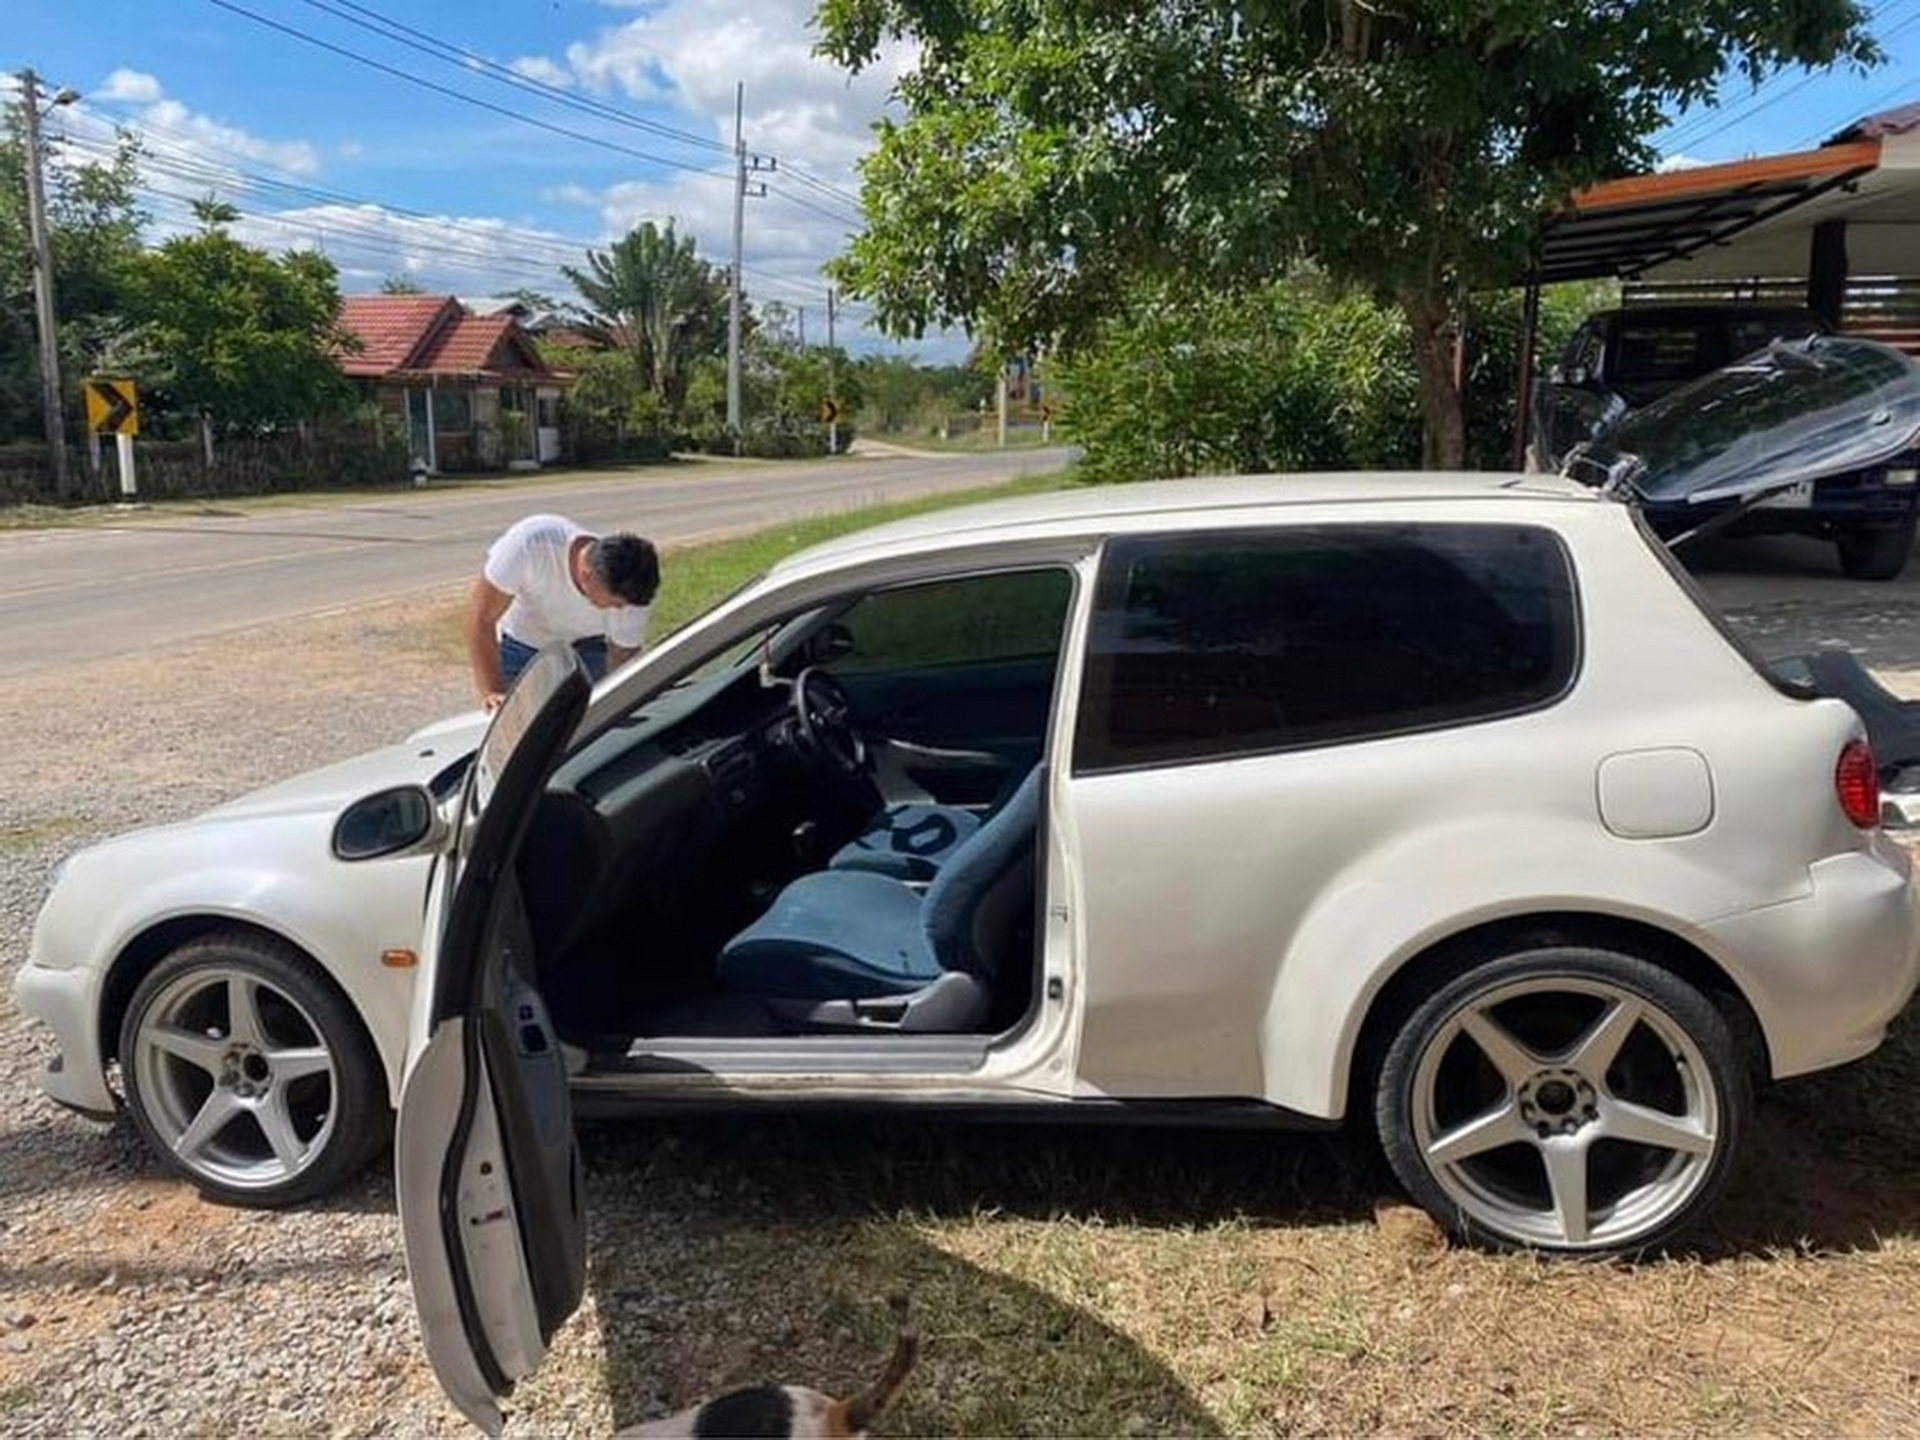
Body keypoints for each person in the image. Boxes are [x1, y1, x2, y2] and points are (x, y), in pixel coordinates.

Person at [464, 513, 660, 710]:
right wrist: (492, 692)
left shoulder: (633, 590)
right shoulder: (529, 546)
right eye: (614, 603)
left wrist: (613, 704)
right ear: (586, 575)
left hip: (590, 649)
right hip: (523, 647)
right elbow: (481, 618)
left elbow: (622, 656)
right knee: (524, 728)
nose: (620, 609)